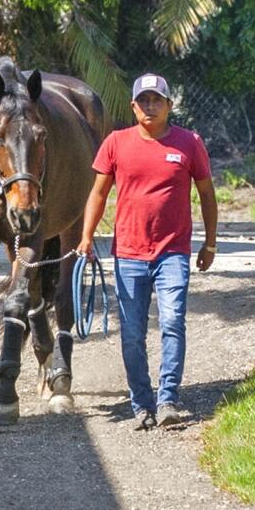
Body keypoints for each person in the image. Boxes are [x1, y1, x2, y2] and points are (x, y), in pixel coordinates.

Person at [79, 72, 219, 430]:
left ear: (170, 106)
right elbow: (98, 193)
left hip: (173, 253)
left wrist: (210, 242)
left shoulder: (189, 143)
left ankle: (168, 398)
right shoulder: (115, 143)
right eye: (144, 100)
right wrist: (85, 238)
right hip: (128, 254)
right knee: (132, 333)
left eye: (158, 100)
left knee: (172, 322)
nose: (151, 106)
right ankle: (141, 404)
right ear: (133, 107)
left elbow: (206, 193)